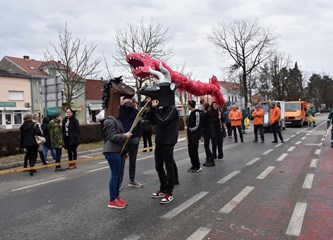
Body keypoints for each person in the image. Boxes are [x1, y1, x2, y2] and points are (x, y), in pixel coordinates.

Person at [103, 112, 132, 209]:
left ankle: (116, 196)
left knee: (119, 176)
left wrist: (125, 152)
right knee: (115, 176)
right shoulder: (109, 120)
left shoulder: (116, 120)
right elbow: (112, 137)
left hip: (118, 151)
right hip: (112, 151)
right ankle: (112, 200)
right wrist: (124, 135)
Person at [119, 98, 143, 188]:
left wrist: (138, 136)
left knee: (132, 161)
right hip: (123, 137)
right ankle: (119, 183)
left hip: (133, 137)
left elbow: (139, 124)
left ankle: (132, 180)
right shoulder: (119, 110)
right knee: (121, 162)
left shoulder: (135, 111)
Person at [186, 100, 203, 172]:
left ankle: (197, 166)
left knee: (194, 151)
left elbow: (197, 125)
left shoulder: (197, 113)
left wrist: (189, 129)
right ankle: (193, 165)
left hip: (195, 135)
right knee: (190, 151)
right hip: (190, 135)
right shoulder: (191, 113)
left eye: (188, 105)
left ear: (190, 105)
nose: (187, 106)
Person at [202, 103, 215, 167]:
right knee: (206, 146)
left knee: (206, 147)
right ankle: (208, 159)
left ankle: (212, 160)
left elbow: (203, 124)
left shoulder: (207, 114)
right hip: (208, 132)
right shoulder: (208, 113)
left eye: (203, 106)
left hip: (207, 132)